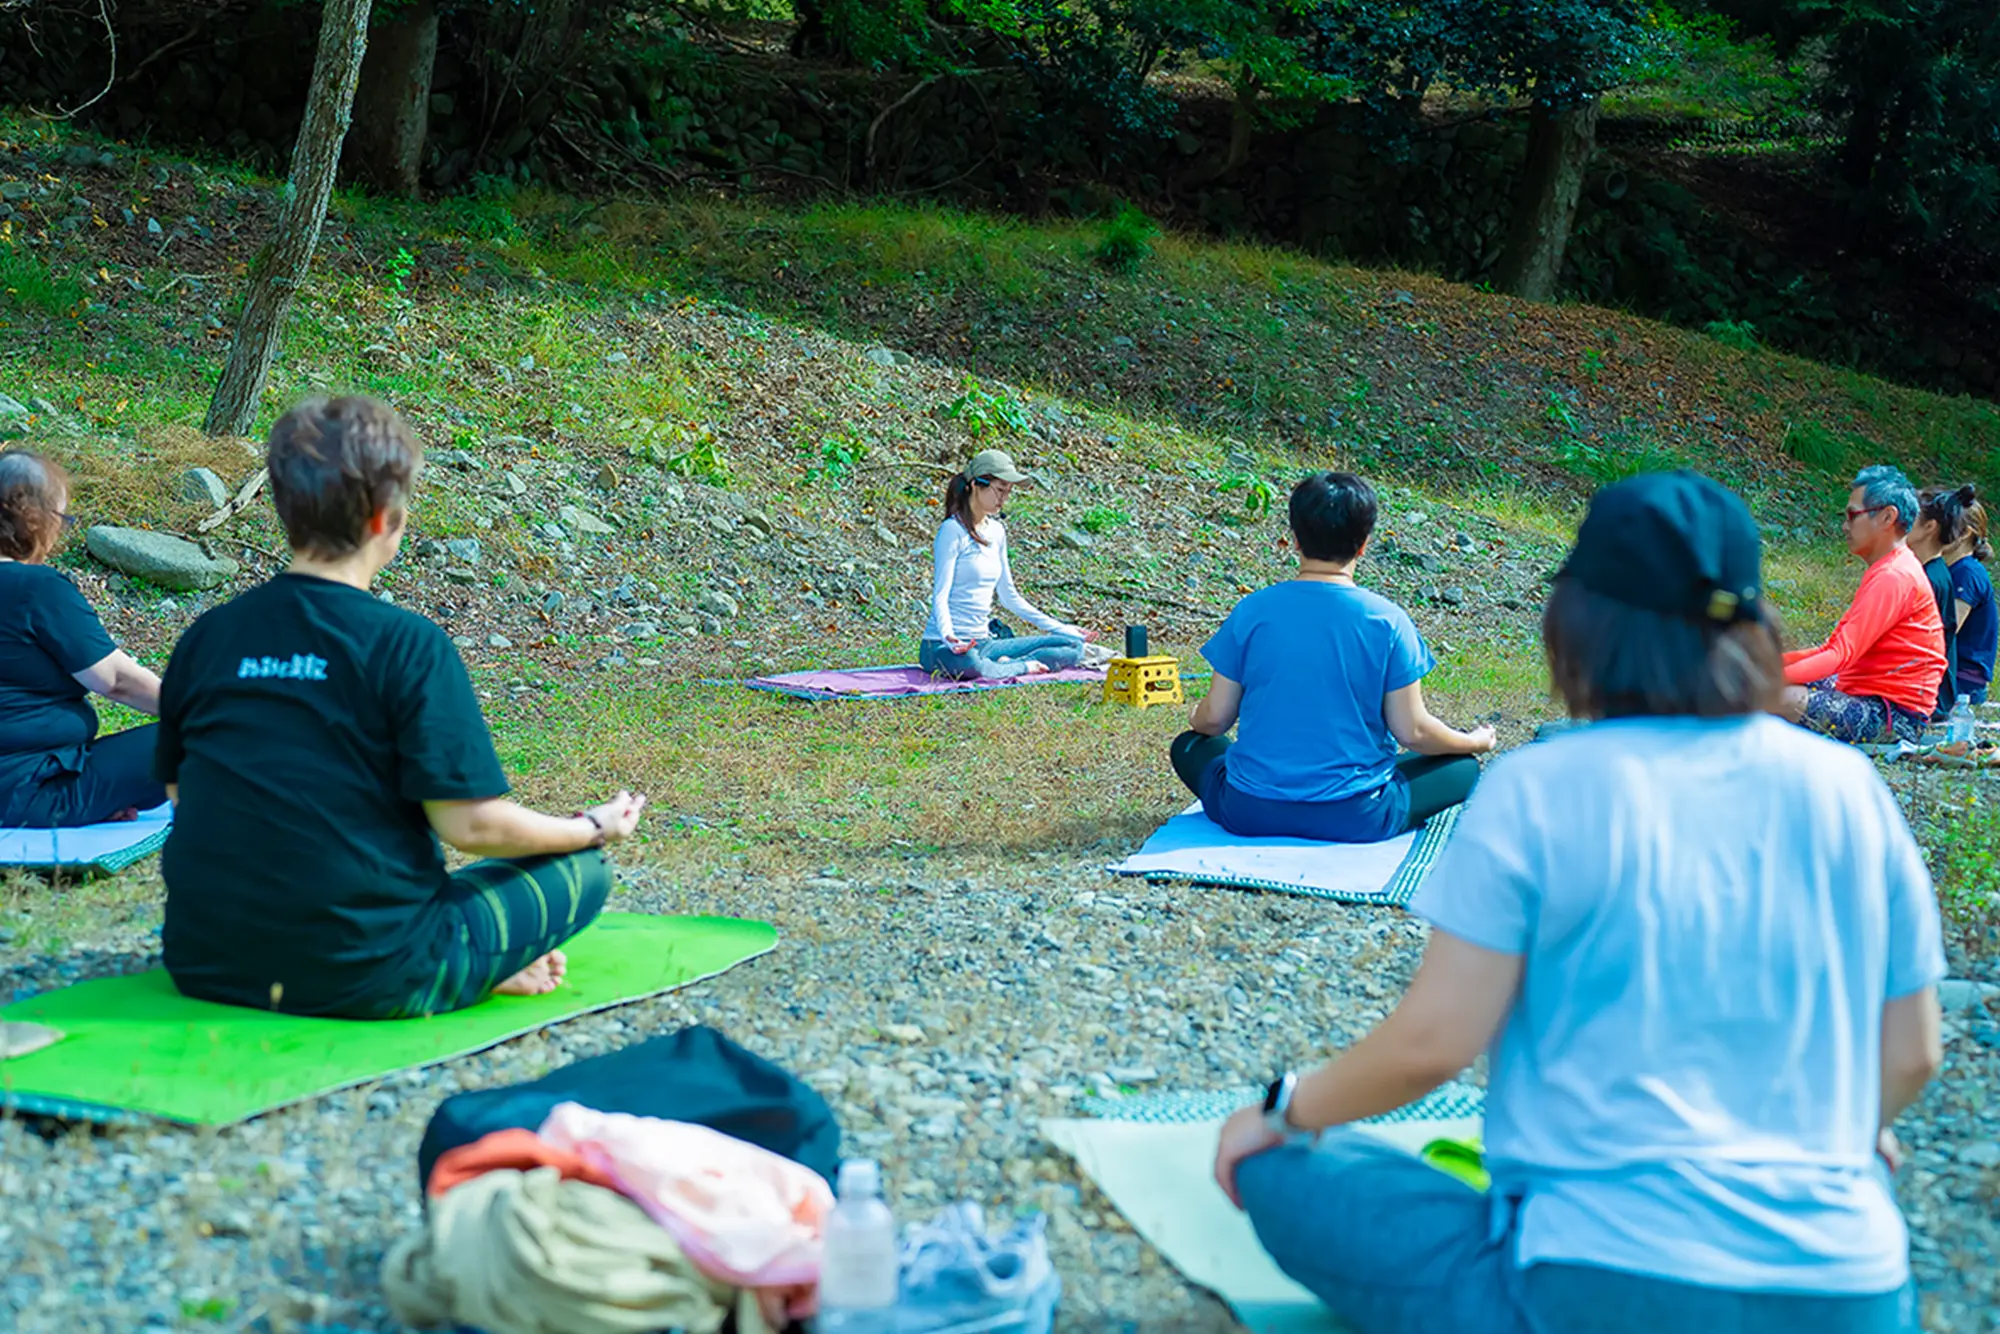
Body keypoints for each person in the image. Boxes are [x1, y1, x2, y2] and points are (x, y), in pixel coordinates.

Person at [1214, 471, 1942, 1334]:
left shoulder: (1542, 786)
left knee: (1290, 1173)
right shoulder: (1849, 790)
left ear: (1578, 623)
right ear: (1751, 627)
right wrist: (1842, 1137)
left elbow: (1432, 1047)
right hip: (1849, 1291)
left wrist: (1280, 1106)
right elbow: (1914, 1057)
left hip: (1592, 1286)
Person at [157, 397, 646, 1019]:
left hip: (207, 963)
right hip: (373, 973)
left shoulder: (209, 636)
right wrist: (592, 827)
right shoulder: (407, 645)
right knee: (584, 870)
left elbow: (184, 795)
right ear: (387, 519)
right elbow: (471, 828)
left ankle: (475, 956)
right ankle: (475, 968)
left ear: (282, 509)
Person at [1169, 472, 1494, 843]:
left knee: (1189, 745)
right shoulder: (1388, 621)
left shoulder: (1252, 612)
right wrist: (1475, 742)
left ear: (1294, 539)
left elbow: (1214, 720)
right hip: (1357, 815)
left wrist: (1194, 716)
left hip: (1248, 810)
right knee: (1462, 767)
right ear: (1364, 545)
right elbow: (1414, 732)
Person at [0, 448, 167, 827]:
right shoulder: (35, 588)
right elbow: (119, 682)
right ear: (35, 520)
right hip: (33, 788)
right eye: (61, 517)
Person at [1780, 465, 1945, 744]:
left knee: (1778, 696)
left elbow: (1839, 655)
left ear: (1887, 517)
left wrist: (1762, 681)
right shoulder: (1889, 568)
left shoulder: (1895, 576)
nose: (1845, 525)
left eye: (1852, 515)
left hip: (1895, 716)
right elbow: (1830, 649)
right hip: (1868, 695)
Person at [920, 448, 1087, 681]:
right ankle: (1020, 667)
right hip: (942, 647)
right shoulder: (952, 530)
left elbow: (1009, 596)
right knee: (972, 664)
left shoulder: (997, 531)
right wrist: (949, 637)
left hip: (984, 643)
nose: (1003, 498)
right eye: (999, 490)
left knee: (1073, 646)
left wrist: (1062, 627)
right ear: (975, 485)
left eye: (1008, 492)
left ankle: (1004, 665)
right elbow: (940, 594)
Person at [1909, 485, 1973, 717]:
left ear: (1929, 527)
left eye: (1910, 517)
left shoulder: (1931, 579)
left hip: (1927, 697)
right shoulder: (1929, 571)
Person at [1948, 496, 1993, 706]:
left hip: (1962, 681)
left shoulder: (1967, 573)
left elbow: (1946, 631)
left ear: (1964, 534)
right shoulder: (1952, 569)